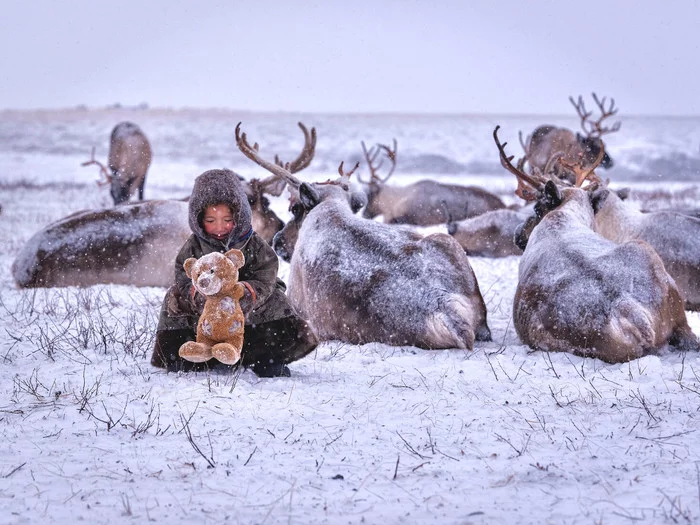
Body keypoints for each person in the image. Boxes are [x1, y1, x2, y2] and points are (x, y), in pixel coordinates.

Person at [150, 168, 318, 377]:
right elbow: (183, 273)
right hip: (206, 310)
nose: (219, 227)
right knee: (173, 300)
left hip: (246, 305)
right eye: (210, 221)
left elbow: (267, 272)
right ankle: (183, 356)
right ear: (198, 219)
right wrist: (196, 296)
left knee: (276, 300)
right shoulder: (194, 245)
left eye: (227, 220)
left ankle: (267, 357)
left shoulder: (252, 242)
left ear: (239, 216)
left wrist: (248, 293)